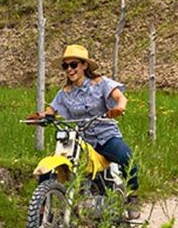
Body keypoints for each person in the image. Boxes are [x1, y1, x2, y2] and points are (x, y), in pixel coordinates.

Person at [37, 44, 139, 213]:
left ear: (84, 65)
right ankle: (40, 211)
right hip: (82, 140)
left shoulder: (101, 83)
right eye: (65, 66)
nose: (69, 70)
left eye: (73, 65)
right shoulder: (64, 93)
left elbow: (121, 98)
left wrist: (119, 108)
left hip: (105, 136)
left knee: (127, 158)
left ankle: (132, 196)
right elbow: (51, 110)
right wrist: (42, 117)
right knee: (49, 165)